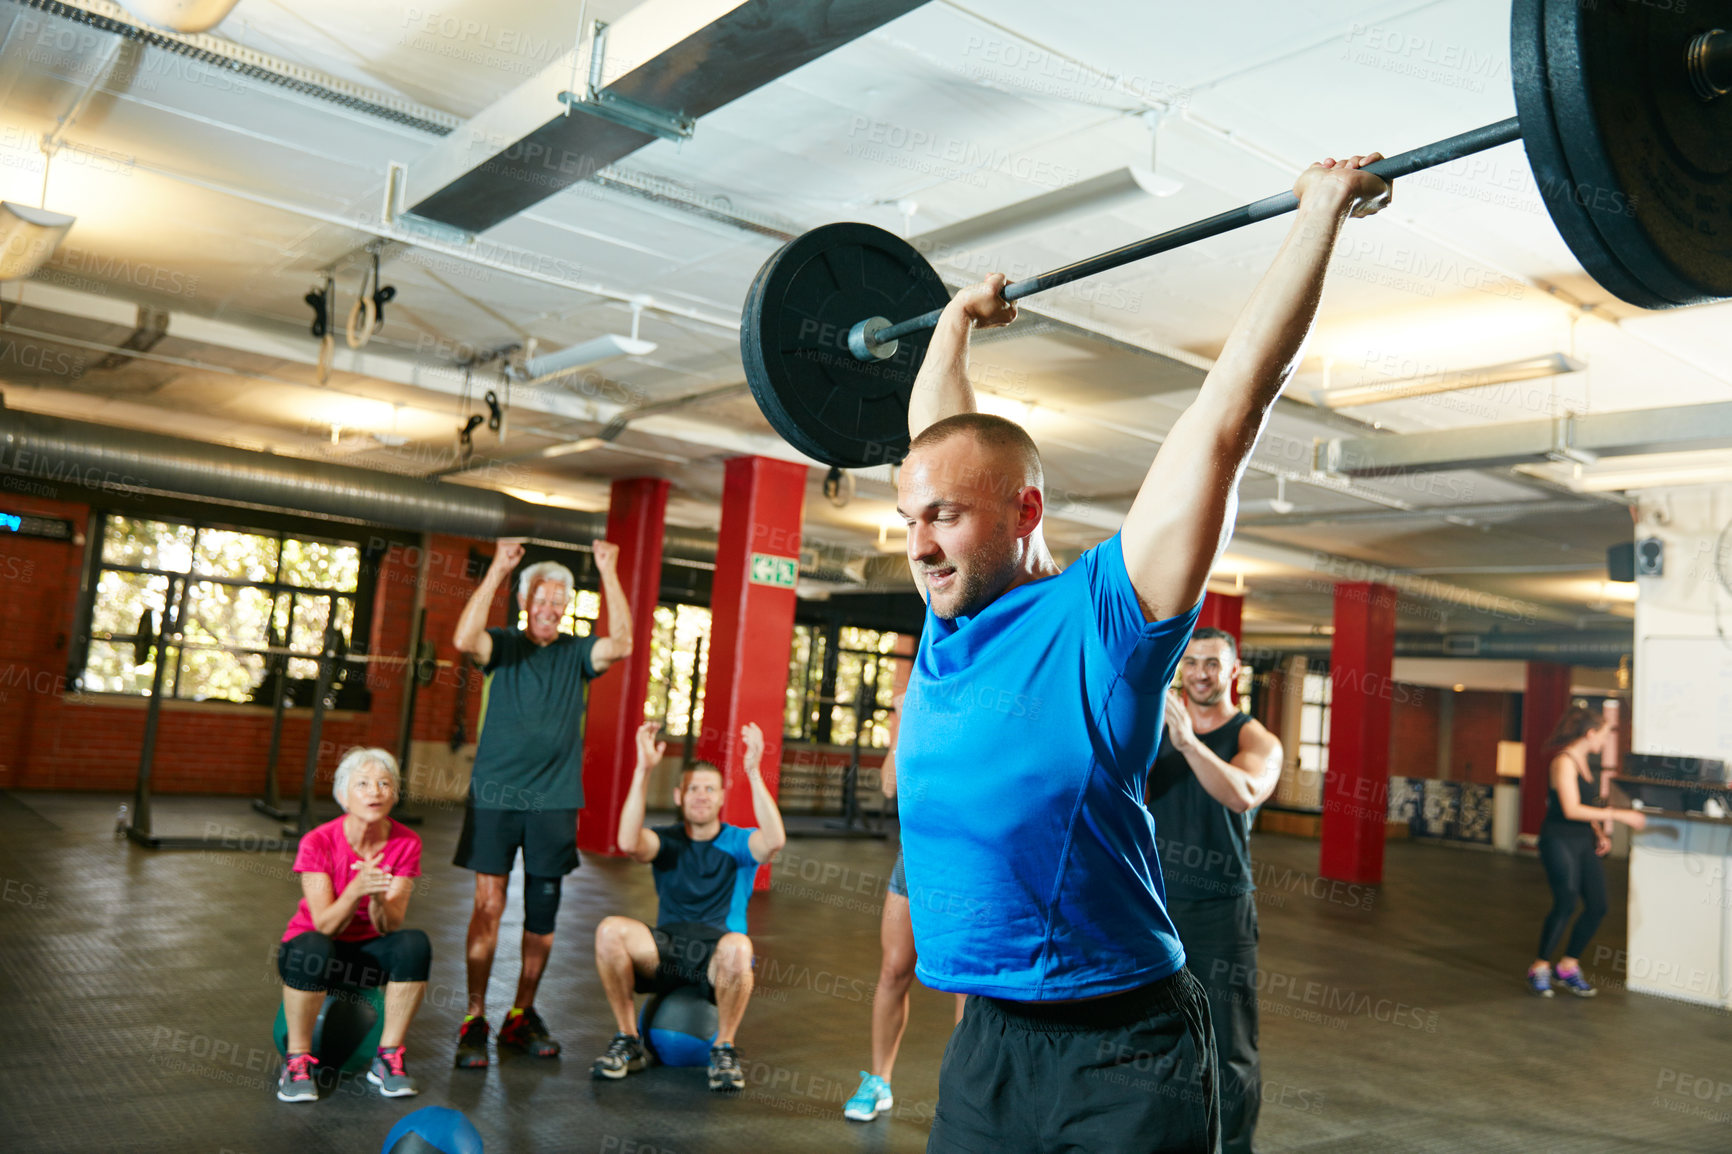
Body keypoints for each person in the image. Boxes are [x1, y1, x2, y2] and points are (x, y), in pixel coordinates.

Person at [893, 153, 1394, 1153]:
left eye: (941, 517)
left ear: (1023, 512)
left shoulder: (1104, 619)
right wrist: (951, 323)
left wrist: (1320, 215)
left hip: (1124, 1044)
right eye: (907, 516)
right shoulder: (948, 624)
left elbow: (1225, 417)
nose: (917, 541)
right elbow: (941, 441)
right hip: (987, 1041)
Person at [451, 537, 634, 1068]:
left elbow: (620, 642)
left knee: (543, 911)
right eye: (541, 599)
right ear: (525, 600)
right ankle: (474, 1015)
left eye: (560, 601)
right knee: (488, 905)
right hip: (496, 796)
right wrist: (498, 571)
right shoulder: (504, 645)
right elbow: (465, 637)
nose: (550, 609)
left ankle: (519, 1015)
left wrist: (608, 569)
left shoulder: (578, 653)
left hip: (553, 801)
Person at [592, 720, 786, 1091]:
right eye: (693, 789)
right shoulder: (667, 841)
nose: (701, 795)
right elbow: (627, 841)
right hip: (665, 951)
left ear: (720, 797)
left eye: (709, 789)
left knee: (739, 947)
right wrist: (643, 769)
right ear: (680, 797)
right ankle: (628, 1039)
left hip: (716, 959)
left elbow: (774, 840)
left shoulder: (736, 842)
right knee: (609, 931)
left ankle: (723, 1048)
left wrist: (752, 772)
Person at [1146, 629, 1283, 1154]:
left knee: (1230, 1047)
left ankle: (1236, 1147)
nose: (1200, 672)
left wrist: (1187, 743)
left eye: (1213, 664)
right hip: (1153, 906)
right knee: (1153, 1040)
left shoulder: (1255, 739)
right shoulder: (1153, 728)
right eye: (1193, 662)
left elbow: (1244, 793)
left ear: (1233, 673)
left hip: (1220, 909)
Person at [276, 748, 429, 1103]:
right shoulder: (318, 841)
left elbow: (391, 925)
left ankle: (389, 1057)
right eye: (363, 784)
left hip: (367, 953)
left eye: (384, 784)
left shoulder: (407, 843)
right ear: (343, 796)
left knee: (413, 944)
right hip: (312, 951)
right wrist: (357, 890)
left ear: (394, 794)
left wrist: (376, 896)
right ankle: (297, 1061)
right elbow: (325, 925)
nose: (375, 791)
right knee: (315, 946)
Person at [844, 748, 966, 1123]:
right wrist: (902, 723)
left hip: (971, 855)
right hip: (914, 854)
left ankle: (966, 1095)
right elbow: (888, 784)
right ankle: (879, 1080)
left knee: (966, 982)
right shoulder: (922, 707)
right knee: (894, 969)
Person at [1528, 701, 1646, 997]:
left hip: (1581, 839)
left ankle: (1567, 967)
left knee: (1598, 905)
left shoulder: (1586, 765)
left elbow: (1587, 807)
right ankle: (1540, 966)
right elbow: (1570, 809)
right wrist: (1620, 816)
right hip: (1558, 839)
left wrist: (1597, 832)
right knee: (1566, 901)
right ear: (1591, 733)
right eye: (1605, 734)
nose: (1606, 740)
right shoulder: (1563, 762)